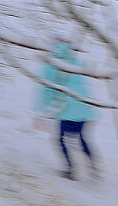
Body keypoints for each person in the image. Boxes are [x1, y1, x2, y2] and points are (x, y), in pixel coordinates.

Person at [38, 40, 99, 180]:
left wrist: (47, 109)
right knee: (81, 138)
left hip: (68, 110)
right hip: (84, 109)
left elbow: (52, 90)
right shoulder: (77, 64)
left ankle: (70, 169)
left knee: (60, 139)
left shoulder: (57, 68)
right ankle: (93, 166)